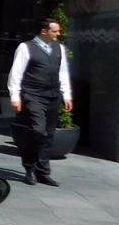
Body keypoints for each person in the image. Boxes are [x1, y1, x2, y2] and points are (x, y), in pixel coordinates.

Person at [8, 17, 73, 186]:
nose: (59, 34)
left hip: (52, 95)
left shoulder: (59, 48)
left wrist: (66, 94)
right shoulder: (26, 47)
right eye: (55, 31)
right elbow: (16, 73)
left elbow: (63, 73)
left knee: (49, 135)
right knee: (38, 131)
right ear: (43, 31)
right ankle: (29, 167)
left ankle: (43, 171)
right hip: (33, 95)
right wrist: (15, 96)